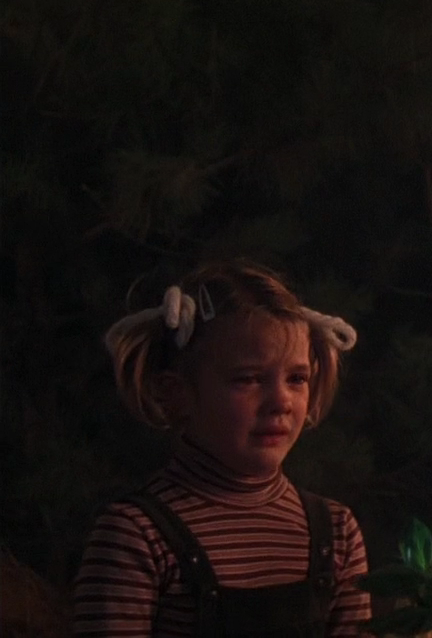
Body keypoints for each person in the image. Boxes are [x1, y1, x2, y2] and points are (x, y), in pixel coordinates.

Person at [73, 260, 372, 636]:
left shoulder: (337, 533)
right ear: (176, 393)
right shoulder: (136, 535)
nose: (281, 401)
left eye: (297, 378)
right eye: (248, 379)